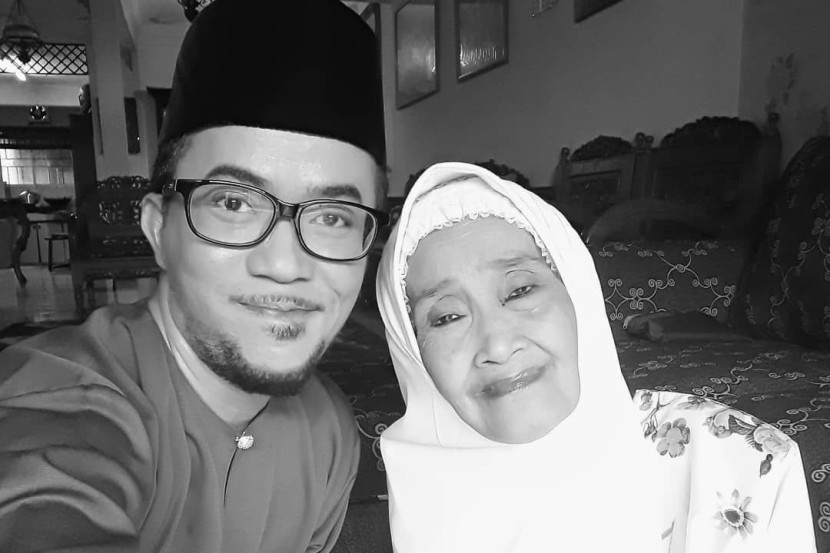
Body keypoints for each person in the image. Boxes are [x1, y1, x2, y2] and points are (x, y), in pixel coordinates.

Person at [0, 0, 387, 551]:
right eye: (233, 203)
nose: (284, 265)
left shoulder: (329, 432)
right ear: (158, 228)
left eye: (332, 217)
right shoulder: (58, 395)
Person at [375, 162, 816, 552]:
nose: (498, 345)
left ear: (578, 293)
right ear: (412, 353)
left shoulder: (741, 465)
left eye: (520, 290)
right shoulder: (421, 481)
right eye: (447, 317)